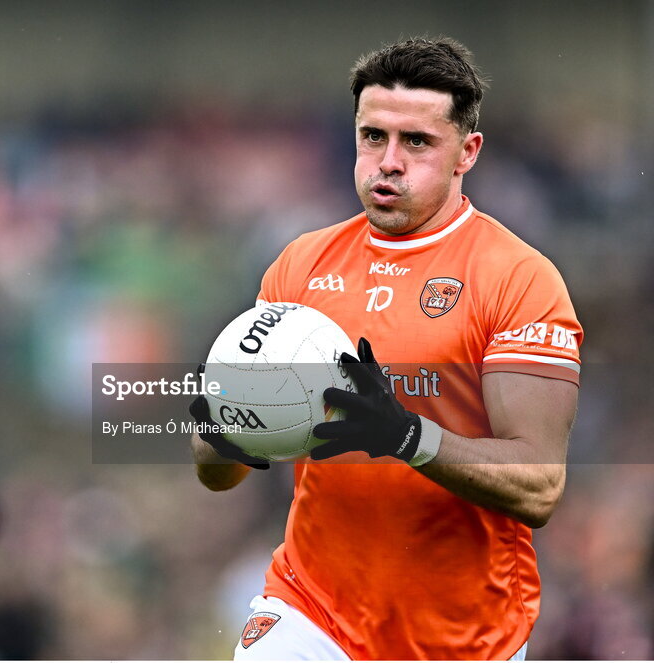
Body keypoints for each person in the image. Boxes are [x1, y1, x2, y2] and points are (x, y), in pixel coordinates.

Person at [189, 37, 582, 660]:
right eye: (373, 137)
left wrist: (404, 435)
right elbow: (220, 474)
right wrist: (222, 430)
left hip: (465, 636)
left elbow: (538, 487)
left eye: (416, 142)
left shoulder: (518, 279)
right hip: (309, 611)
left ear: (466, 152)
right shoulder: (299, 266)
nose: (388, 162)